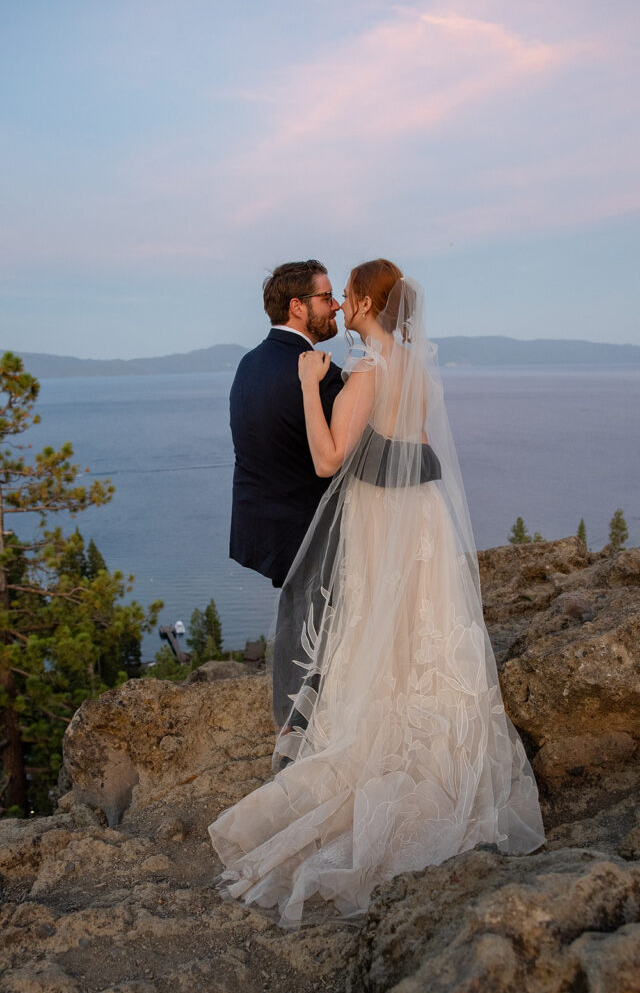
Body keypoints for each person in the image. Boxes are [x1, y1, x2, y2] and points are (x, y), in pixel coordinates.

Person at [210, 259, 545, 928]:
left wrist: (310, 387)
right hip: (421, 519)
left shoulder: (360, 371)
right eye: (328, 297)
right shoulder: (416, 367)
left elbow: (329, 460)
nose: (338, 305)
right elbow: (418, 446)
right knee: (422, 625)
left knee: (369, 631)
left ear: (365, 303)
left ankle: (350, 743)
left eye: (345, 296)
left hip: (372, 516)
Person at [228, 261, 344, 715]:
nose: (335, 305)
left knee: (302, 634)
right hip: (315, 535)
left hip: (269, 530)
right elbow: (337, 459)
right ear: (297, 307)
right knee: (323, 644)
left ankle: (297, 721)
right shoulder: (319, 374)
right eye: (326, 297)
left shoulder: (248, 364)